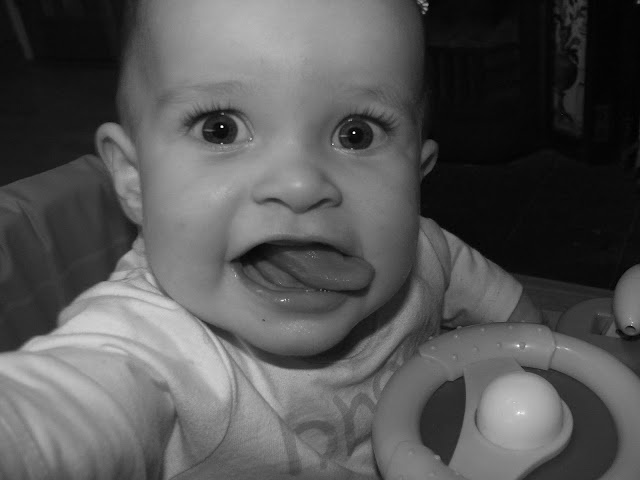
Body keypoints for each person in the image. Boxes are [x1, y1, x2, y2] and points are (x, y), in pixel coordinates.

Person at [0, 0, 544, 478]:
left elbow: (510, 312)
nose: (299, 185)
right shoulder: (151, 347)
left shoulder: (427, 253)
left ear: (417, 178)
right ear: (134, 180)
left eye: (356, 134)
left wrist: (540, 368)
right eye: (221, 129)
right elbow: (54, 418)